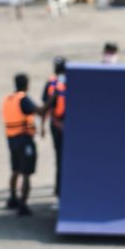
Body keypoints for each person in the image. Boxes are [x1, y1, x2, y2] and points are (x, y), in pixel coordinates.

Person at [2, 74, 44, 216]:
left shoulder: (9, 99)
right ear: (27, 85)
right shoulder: (23, 99)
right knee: (26, 173)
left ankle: (12, 198)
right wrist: (52, 100)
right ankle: (23, 205)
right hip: (24, 139)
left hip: (11, 139)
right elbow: (40, 111)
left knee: (15, 169)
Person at [40, 57, 67, 197]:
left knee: (59, 157)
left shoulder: (51, 83)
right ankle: (61, 188)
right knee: (66, 158)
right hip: (66, 126)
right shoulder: (70, 82)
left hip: (55, 125)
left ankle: (59, 188)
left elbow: (45, 107)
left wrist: (43, 126)